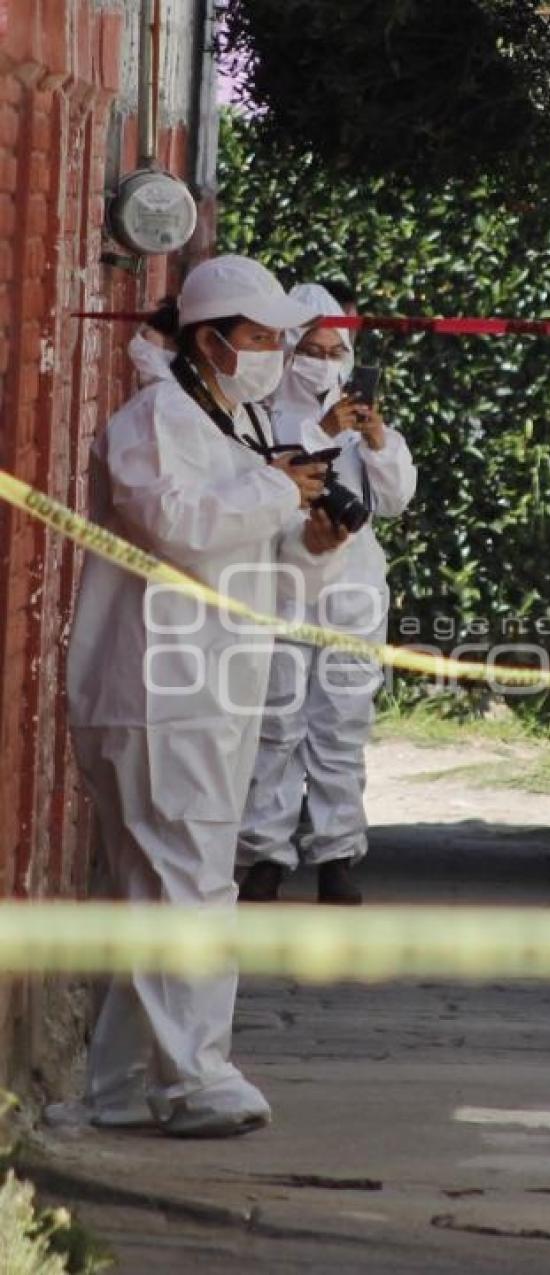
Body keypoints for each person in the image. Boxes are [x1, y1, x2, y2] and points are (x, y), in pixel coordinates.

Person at [54, 255, 343, 1137]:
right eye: (257, 338)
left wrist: (314, 536)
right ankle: (194, 1080)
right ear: (209, 340)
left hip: (205, 691)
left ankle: (115, 1089)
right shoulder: (153, 421)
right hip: (153, 690)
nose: (270, 353)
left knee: (159, 886)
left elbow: (254, 557)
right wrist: (273, 489)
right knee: (188, 883)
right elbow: (174, 525)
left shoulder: (236, 426)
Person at [236, 283, 417, 905]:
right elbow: (267, 482)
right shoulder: (255, 410)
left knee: (341, 723)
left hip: (355, 589)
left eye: (335, 349)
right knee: (276, 721)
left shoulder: (362, 419)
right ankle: (265, 855)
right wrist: (321, 429)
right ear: (290, 347)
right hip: (285, 584)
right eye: (311, 347)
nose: (323, 358)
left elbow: (393, 501)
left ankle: (338, 853)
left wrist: (374, 440)